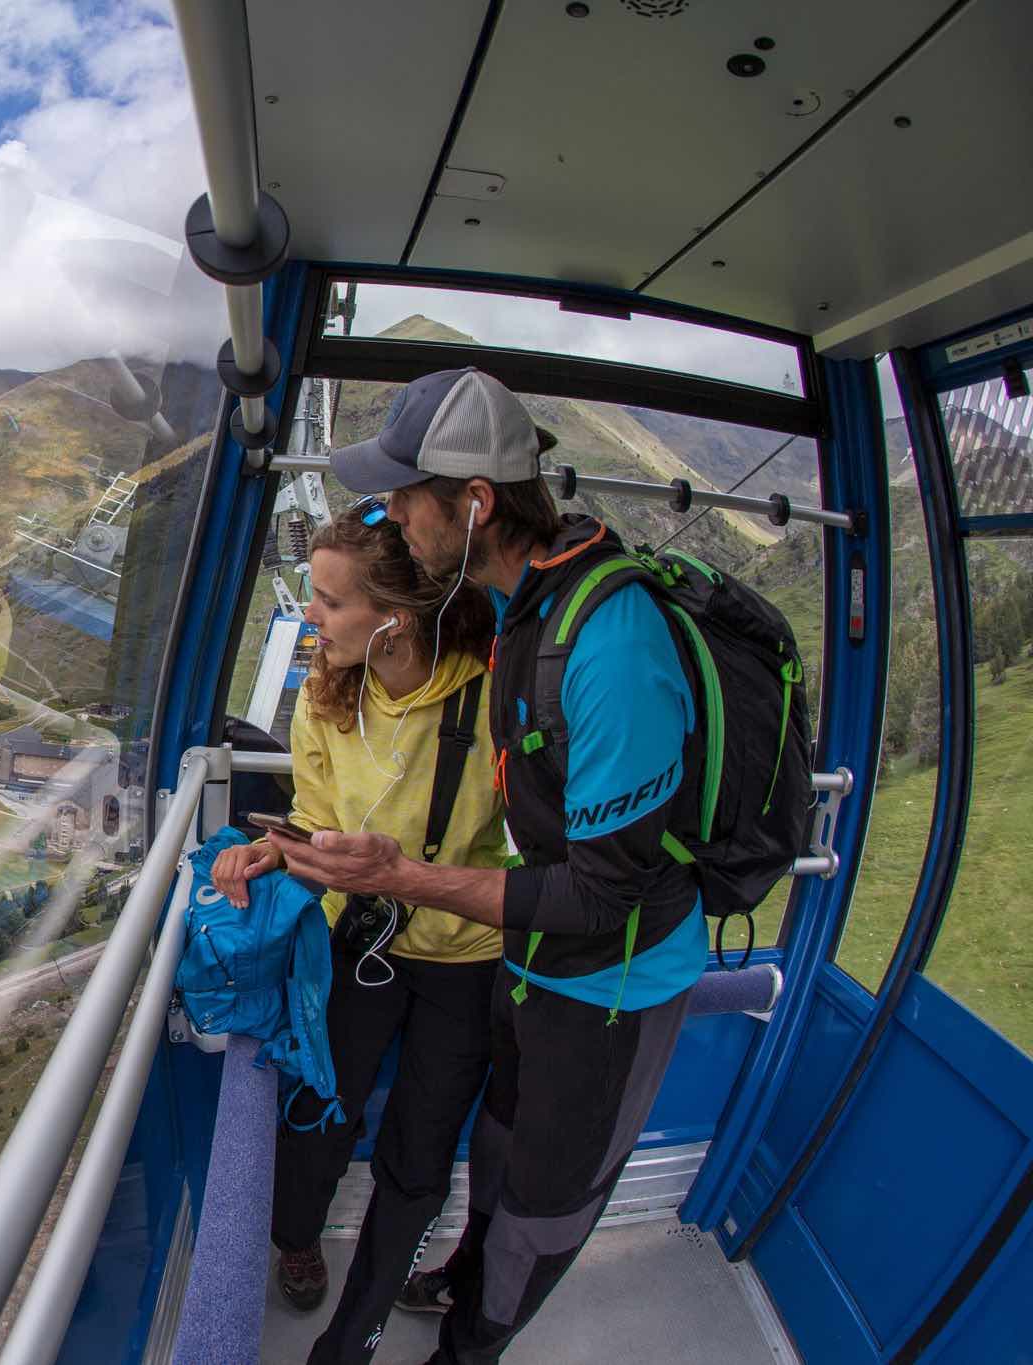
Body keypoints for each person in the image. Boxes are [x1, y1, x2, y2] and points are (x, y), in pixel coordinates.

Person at [271, 367, 705, 1364]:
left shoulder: (605, 641)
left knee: (540, 1204)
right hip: (531, 965)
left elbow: (601, 894)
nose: (394, 521)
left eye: (403, 499)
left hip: (612, 983)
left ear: (471, 505)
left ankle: (466, 1348)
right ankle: (438, 1303)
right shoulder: (519, 613)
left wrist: (400, 879)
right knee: (499, 1154)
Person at [210, 504, 506, 1364]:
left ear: (394, 619)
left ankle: (354, 1337)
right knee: (318, 1115)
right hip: (357, 942)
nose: (311, 616)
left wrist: (408, 874)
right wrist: (272, 849)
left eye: (331, 603)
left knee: (420, 1152)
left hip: (463, 959)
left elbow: (525, 850)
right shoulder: (326, 700)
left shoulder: (490, 701)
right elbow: (314, 818)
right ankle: (298, 1235)